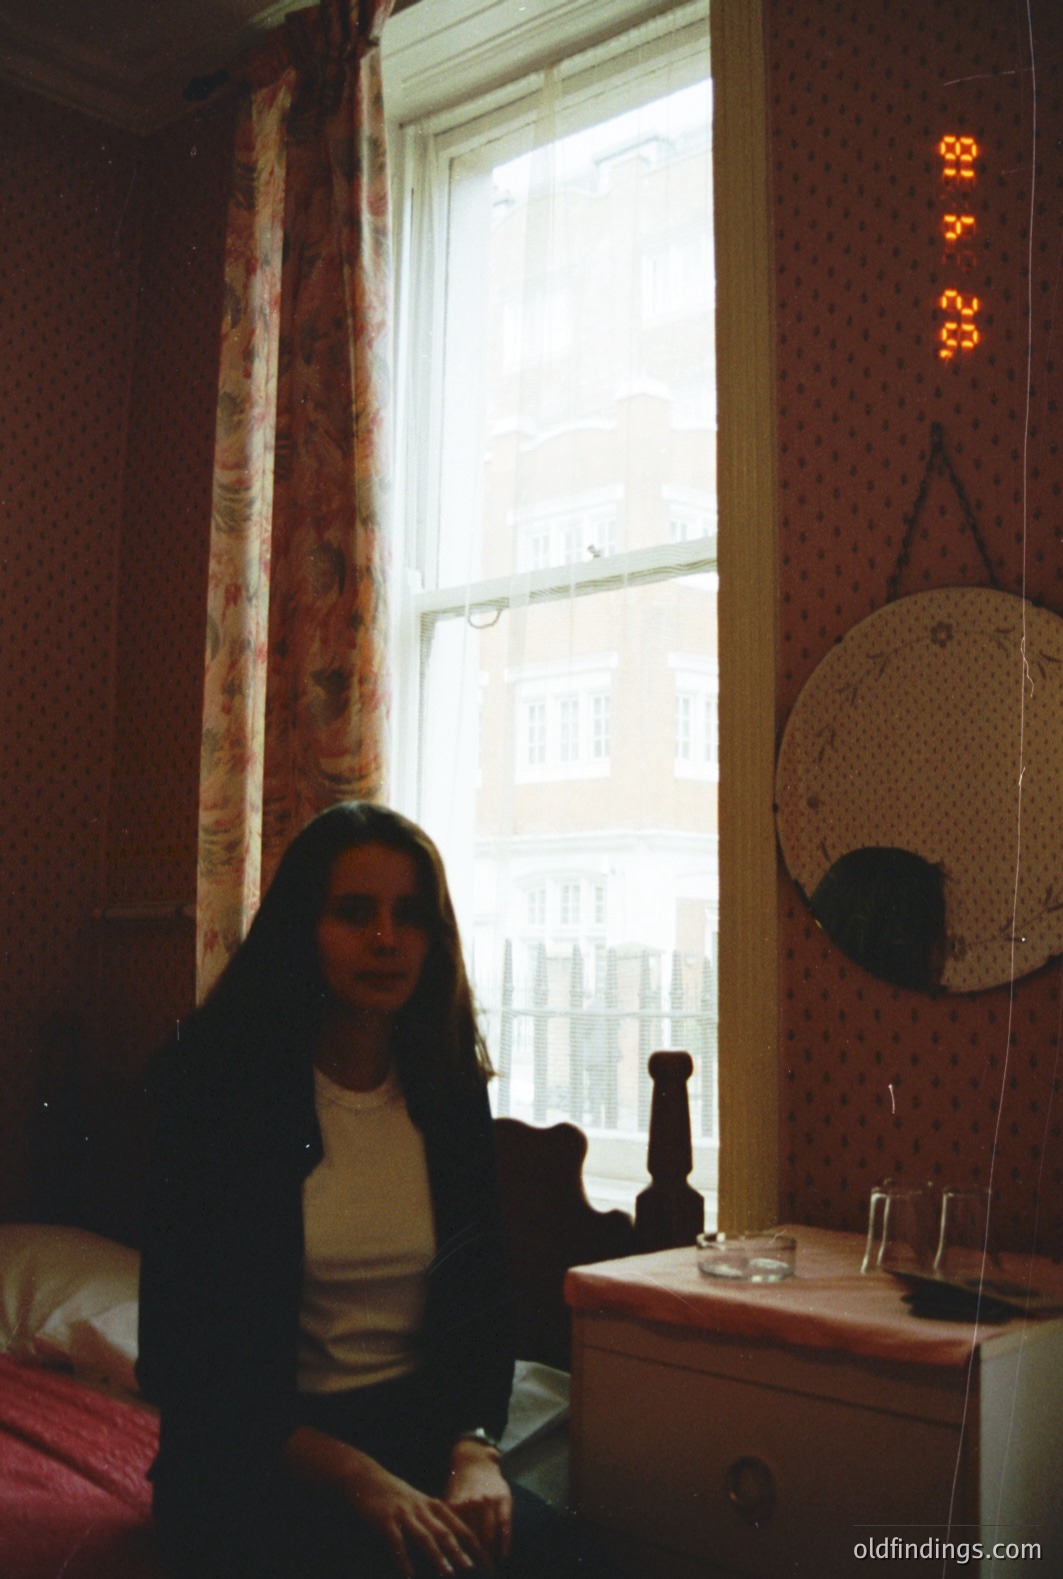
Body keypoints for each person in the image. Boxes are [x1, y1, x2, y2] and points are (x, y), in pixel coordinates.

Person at [137, 802, 618, 1579]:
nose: (387, 939)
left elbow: (483, 1305)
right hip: (260, 1458)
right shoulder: (215, 1097)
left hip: (417, 1436)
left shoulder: (448, 1096)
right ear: (302, 925)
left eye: (410, 915)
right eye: (355, 912)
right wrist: (363, 1481)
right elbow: (178, 1363)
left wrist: (473, 1450)